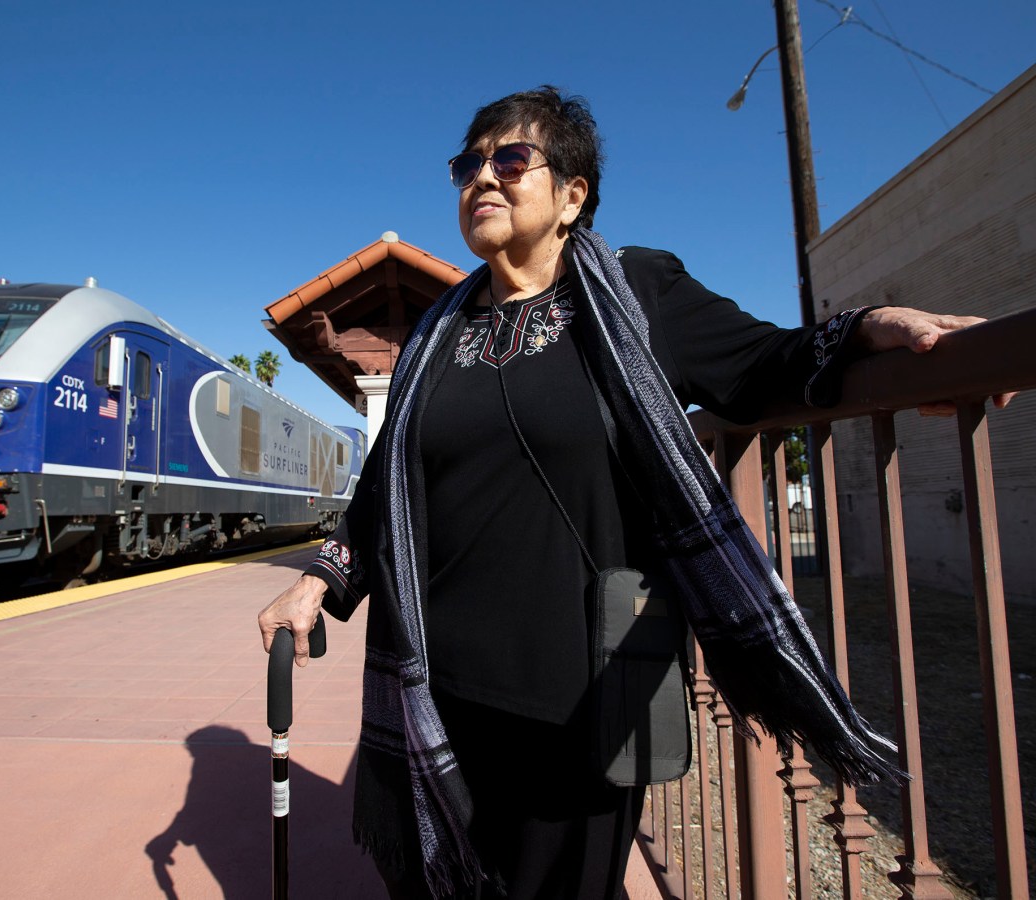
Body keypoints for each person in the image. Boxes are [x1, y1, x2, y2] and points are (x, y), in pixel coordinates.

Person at [258, 86, 1008, 899]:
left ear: (573, 195)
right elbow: (385, 487)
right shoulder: (435, 335)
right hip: (440, 688)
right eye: (467, 164)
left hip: (583, 688)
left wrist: (873, 327)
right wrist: (321, 578)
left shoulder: (636, 292)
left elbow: (761, 362)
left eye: (511, 159)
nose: (483, 177)